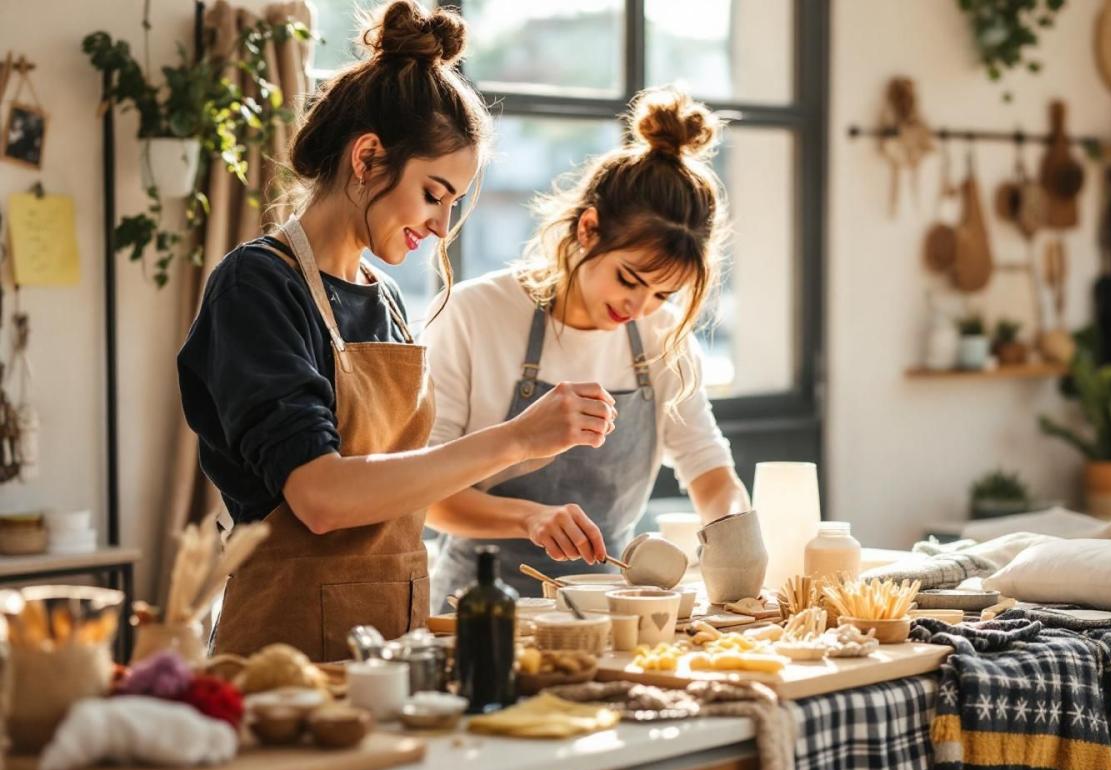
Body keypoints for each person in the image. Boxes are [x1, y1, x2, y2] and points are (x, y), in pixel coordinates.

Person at [177, 0, 616, 661]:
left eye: (453, 204)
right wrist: (516, 438)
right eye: (434, 194)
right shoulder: (257, 287)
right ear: (367, 157)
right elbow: (322, 496)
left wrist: (528, 509)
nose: (441, 226)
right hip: (283, 664)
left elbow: (403, 492)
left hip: (393, 649)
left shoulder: (383, 301)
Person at [425, 87, 750, 606]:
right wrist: (529, 518)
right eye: (629, 279)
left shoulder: (660, 334)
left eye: (663, 294)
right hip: (480, 608)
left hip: (612, 607)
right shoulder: (473, 313)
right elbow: (427, 494)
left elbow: (709, 470)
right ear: (589, 229)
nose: (639, 307)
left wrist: (736, 538)